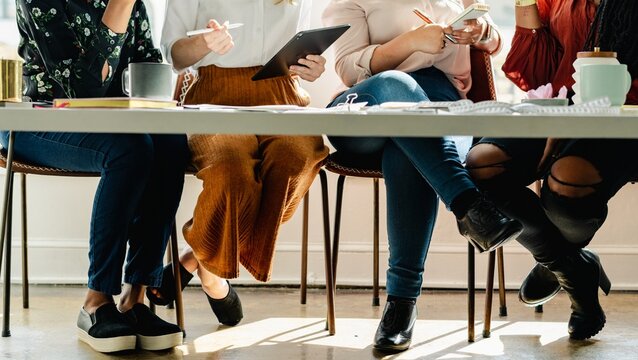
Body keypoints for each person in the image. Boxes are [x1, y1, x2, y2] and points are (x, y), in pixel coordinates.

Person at [322, 0, 523, 353]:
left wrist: (482, 32)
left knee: (409, 146)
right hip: (368, 101)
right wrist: (410, 42)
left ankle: (400, 306)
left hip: (441, 103)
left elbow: (493, 44)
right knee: (401, 92)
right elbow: (348, 68)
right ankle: (468, 202)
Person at [9, 0, 188, 353]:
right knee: (130, 151)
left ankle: (134, 299)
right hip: (37, 120)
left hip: (112, 122)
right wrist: (119, 8)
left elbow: (146, 68)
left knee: (170, 142)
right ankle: (96, 301)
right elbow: (78, 89)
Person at [146, 0, 329, 326]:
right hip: (214, 95)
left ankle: (198, 259)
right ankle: (214, 278)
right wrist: (203, 43)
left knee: (295, 161)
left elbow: (300, 47)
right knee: (231, 170)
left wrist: (312, 68)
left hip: (283, 94)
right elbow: (174, 56)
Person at [465, 0, 638, 340]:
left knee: (569, 177)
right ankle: (570, 266)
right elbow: (538, 76)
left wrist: (577, 117)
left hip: (625, 116)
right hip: (558, 109)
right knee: (481, 164)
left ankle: (558, 264)